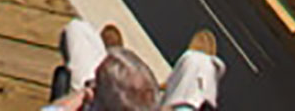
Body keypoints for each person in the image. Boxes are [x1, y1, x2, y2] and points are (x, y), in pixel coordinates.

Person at [41, 24, 223, 109]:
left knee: (77, 31)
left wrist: (78, 98)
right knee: (198, 63)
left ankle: (110, 58)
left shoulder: (89, 98)